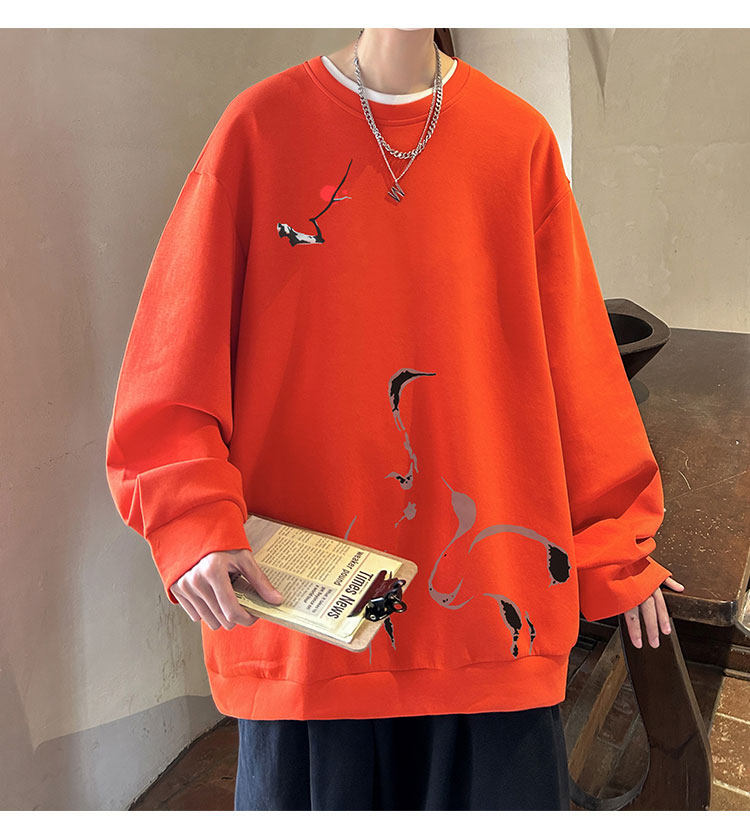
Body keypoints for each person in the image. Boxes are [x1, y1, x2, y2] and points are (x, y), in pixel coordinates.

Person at [105, 27, 684, 810]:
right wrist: (191, 518)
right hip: (310, 628)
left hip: (487, 622)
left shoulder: (518, 142)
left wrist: (613, 542)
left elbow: (577, 365)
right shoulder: (258, 131)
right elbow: (172, 358)